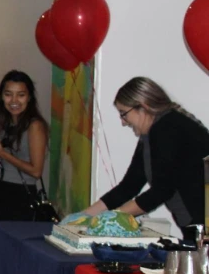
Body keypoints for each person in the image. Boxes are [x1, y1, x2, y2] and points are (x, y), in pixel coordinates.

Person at [81, 77, 209, 230]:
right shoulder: (152, 133)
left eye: (123, 113)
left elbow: (162, 191)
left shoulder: (168, 128)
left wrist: (114, 216)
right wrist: (86, 215)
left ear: (142, 107)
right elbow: (130, 185)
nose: (123, 122)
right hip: (195, 223)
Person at [0, 71, 50, 222]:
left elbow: (36, 171)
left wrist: (2, 154)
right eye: (8, 94)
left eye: (21, 95)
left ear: (29, 97)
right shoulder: (1, 124)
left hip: (23, 196)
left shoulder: (34, 125)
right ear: (2, 97)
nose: (14, 100)